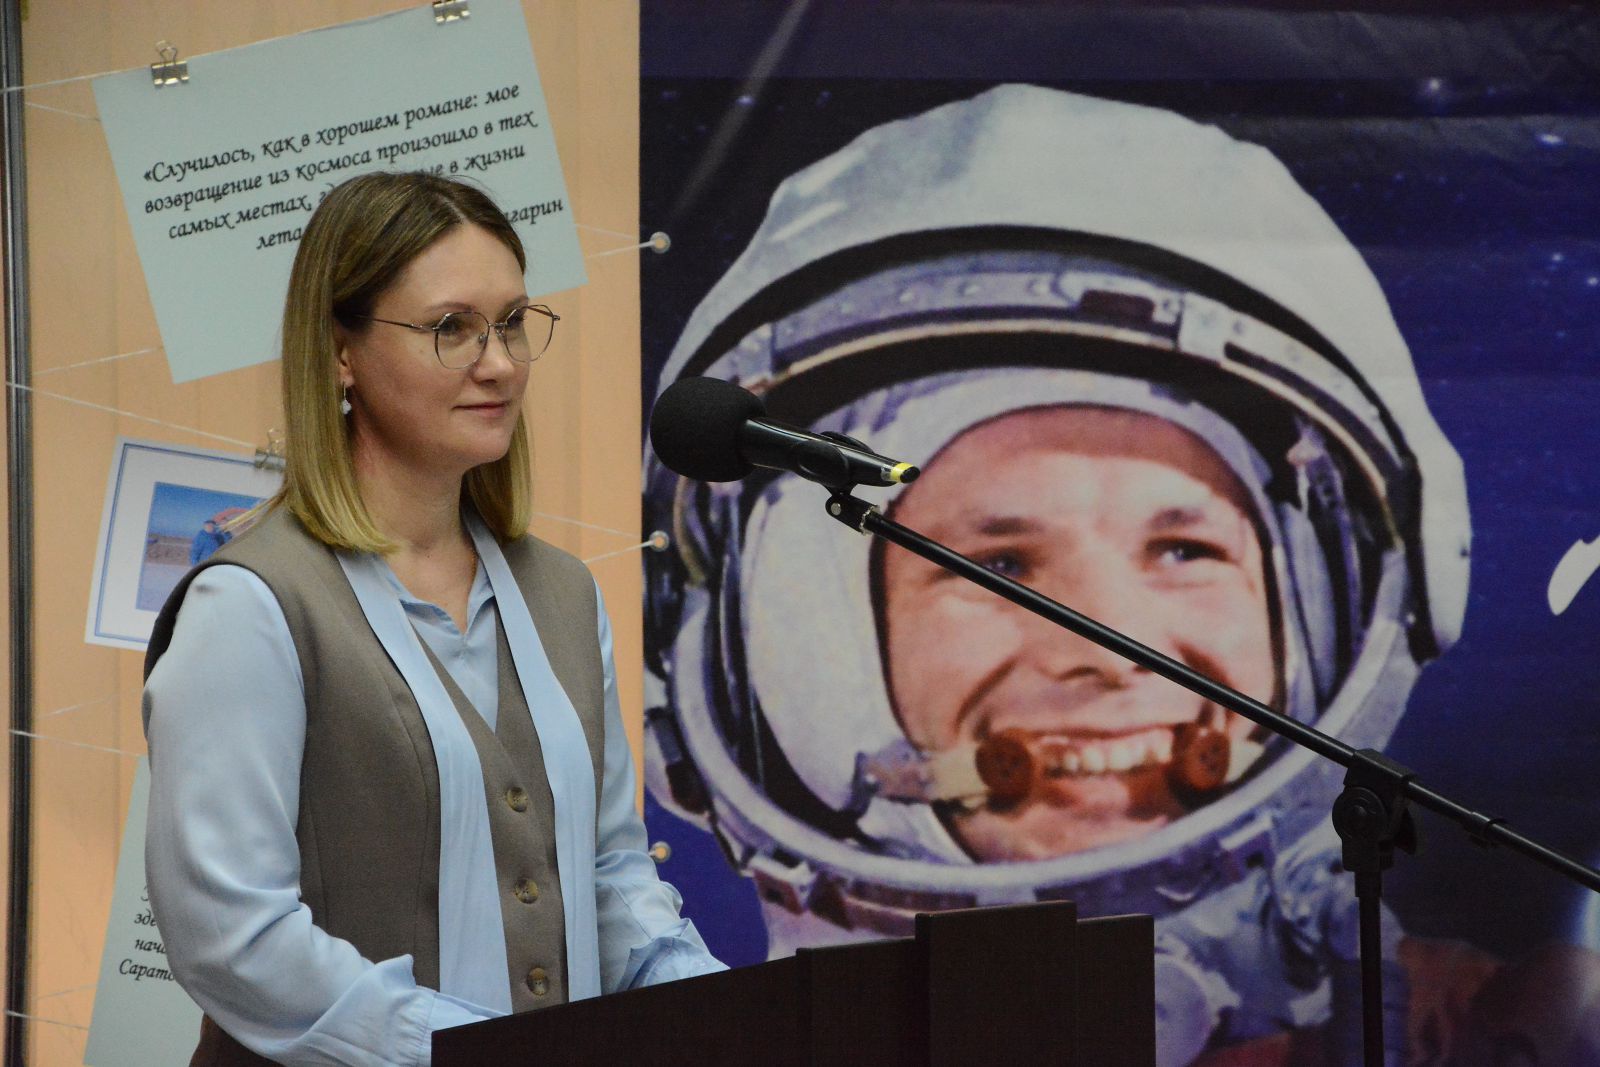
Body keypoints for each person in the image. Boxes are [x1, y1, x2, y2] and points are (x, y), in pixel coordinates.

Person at [641, 84, 1600, 1065]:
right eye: (998, 564)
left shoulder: (1519, 1037)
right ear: (798, 646)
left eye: (1183, 550)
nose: (1108, 644)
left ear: (1321, 616)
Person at [143, 171, 724, 1067]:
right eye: (452, 327)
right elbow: (232, 936)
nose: (500, 362)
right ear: (341, 351)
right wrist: (466, 1050)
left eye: (513, 322)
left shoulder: (565, 594)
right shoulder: (252, 603)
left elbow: (608, 870)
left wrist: (715, 1002)